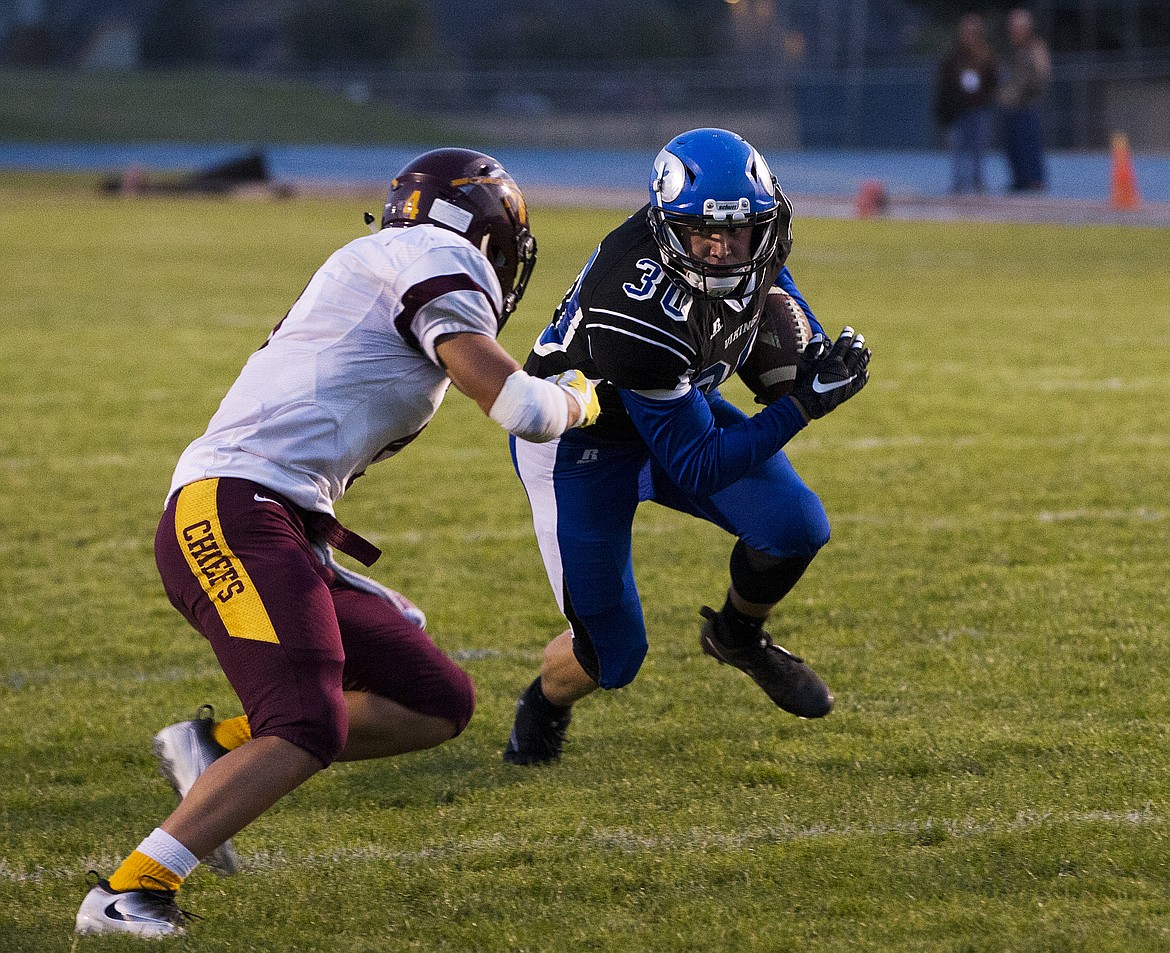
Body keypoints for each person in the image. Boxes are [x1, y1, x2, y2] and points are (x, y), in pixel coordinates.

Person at [75, 147, 600, 937]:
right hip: (232, 512)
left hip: (277, 519)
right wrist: (587, 399)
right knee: (306, 721)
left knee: (436, 698)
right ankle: (130, 889)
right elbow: (519, 405)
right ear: (486, 236)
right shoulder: (436, 254)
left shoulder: (397, 255)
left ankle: (215, 747)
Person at [500, 128, 871, 767]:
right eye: (705, 236)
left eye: (740, 233)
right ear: (671, 229)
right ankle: (543, 704)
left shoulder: (754, 241)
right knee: (613, 655)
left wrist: (805, 349)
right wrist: (806, 400)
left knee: (795, 526)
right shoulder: (637, 311)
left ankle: (737, 635)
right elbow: (696, 466)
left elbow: (769, 285)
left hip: (676, 401)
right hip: (583, 447)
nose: (725, 251)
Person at [934, 13, 999, 194]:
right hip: (959, 109)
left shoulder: (986, 54)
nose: (969, 35)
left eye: (973, 32)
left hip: (979, 108)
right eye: (967, 31)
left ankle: (977, 182)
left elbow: (994, 80)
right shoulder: (953, 54)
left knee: (978, 147)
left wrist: (986, 95)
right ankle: (958, 183)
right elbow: (943, 80)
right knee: (958, 147)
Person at [999, 7, 1051, 192]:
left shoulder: (1035, 47)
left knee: (1029, 143)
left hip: (1027, 104)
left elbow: (1041, 75)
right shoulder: (1012, 49)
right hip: (1012, 105)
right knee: (1012, 145)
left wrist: (1023, 93)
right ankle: (1019, 179)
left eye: (1017, 26)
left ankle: (1035, 180)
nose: (1014, 30)